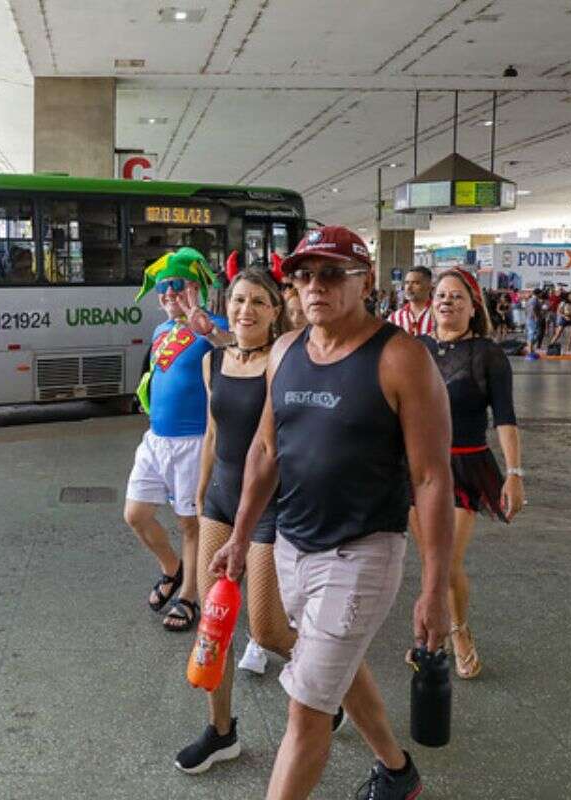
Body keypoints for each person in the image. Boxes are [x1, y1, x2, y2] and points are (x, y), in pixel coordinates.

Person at [211, 226, 454, 800]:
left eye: (329, 273)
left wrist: (436, 587)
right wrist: (240, 537)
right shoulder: (287, 351)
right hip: (293, 547)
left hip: (361, 552)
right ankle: (397, 773)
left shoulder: (400, 358)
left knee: (305, 710)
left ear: (364, 280)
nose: (313, 285)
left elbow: (431, 477)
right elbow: (266, 449)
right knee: (337, 672)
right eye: (302, 274)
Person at [177, 263, 300, 773]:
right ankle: (221, 731)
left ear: (275, 312)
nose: (245, 309)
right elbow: (212, 432)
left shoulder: (286, 360)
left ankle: (331, 679)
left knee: (269, 631)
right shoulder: (215, 362)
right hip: (223, 500)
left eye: (257, 302)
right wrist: (202, 489)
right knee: (215, 623)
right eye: (238, 300)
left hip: (271, 501)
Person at [413, 268, 525, 680]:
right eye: (441, 295)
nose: (447, 301)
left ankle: (458, 632)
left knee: (446, 562)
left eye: (457, 296)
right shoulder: (416, 348)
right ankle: (431, 634)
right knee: (430, 562)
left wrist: (514, 473)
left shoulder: (487, 353)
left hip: (464, 466)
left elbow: (506, 418)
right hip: (418, 468)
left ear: (473, 305)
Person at [126, 248, 228, 633]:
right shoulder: (160, 331)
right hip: (156, 439)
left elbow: (237, 348)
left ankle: (189, 595)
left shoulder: (211, 324)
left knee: (190, 523)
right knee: (135, 514)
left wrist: (209, 330)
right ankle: (172, 566)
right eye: (162, 288)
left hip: (193, 442)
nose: (168, 294)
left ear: (197, 287)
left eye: (177, 285)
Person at [388, 266, 434, 335]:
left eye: (415, 283)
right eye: (407, 283)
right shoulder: (394, 318)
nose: (409, 287)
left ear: (429, 286)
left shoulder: (441, 314)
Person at [524, 288, 545, 356]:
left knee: (534, 333)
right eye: (541, 293)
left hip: (529, 318)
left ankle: (531, 348)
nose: (542, 294)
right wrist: (536, 317)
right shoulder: (534, 300)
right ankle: (530, 349)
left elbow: (526, 309)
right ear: (538, 293)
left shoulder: (531, 300)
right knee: (533, 334)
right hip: (532, 319)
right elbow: (533, 308)